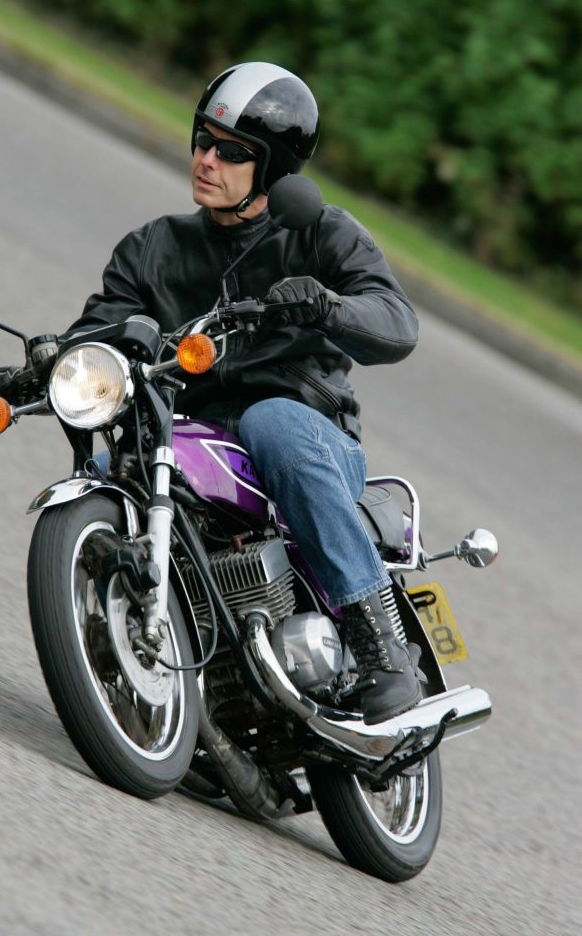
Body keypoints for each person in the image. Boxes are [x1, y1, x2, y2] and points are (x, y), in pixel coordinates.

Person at [64, 61, 422, 724]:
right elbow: (101, 325)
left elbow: (396, 325)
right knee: (115, 468)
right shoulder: (154, 249)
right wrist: (55, 358)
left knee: (271, 421)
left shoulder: (319, 233)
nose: (207, 159)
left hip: (307, 433)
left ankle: (379, 650)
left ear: (274, 170)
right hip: (191, 439)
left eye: (232, 152)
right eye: (202, 139)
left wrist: (325, 306)